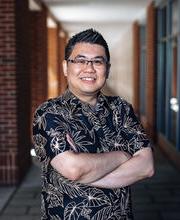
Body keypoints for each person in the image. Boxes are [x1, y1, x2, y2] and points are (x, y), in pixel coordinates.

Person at [32, 28, 154, 220]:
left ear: (108, 68)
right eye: (80, 61)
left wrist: (85, 175)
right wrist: (123, 156)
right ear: (66, 67)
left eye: (97, 61)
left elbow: (146, 166)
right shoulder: (49, 113)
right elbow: (74, 169)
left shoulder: (121, 109)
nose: (89, 68)